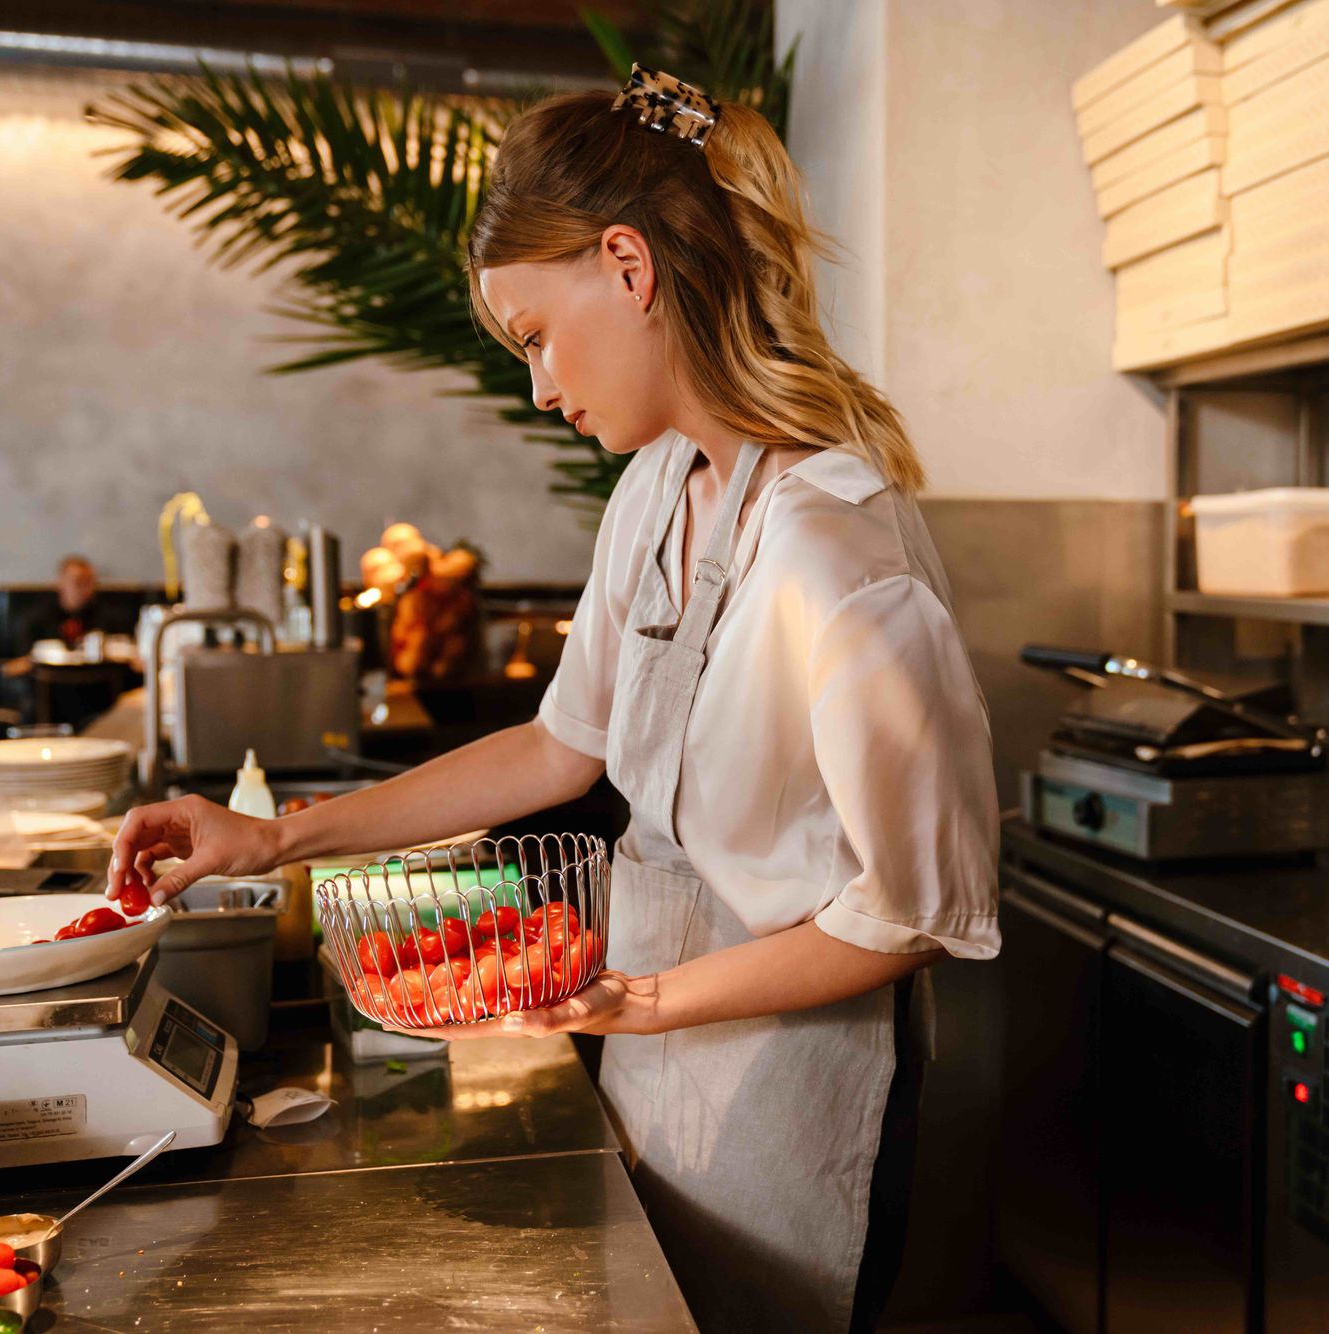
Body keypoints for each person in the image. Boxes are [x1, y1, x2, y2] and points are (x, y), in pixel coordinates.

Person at [110, 64, 1000, 1332]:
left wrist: (639, 1001)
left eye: (534, 334)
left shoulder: (835, 549)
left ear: (627, 266)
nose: (538, 385)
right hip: (651, 1051)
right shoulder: (654, 494)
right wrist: (277, 838)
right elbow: (557, 745)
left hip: (801, 1088)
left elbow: (904, 915)